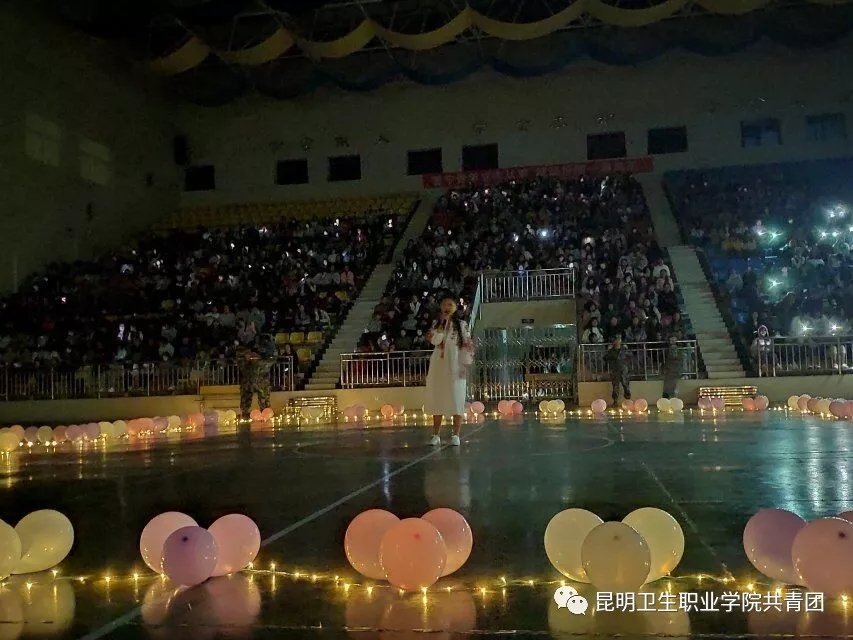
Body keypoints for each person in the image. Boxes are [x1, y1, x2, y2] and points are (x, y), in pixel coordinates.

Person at [424, 296, 472, 447]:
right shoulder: (436, 324)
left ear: (455, 307)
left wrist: (465, 364)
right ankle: (436, 434)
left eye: (450, 304)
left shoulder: (462, 325)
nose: (447, 307)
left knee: (456, 398)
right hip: (438, 364)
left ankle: (456, 435)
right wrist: (441, 325)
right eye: (444, 304)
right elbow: (435, 341)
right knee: (437, 397)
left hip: (456, 364)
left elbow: (467, 344)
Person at [237, 332, 277, 420]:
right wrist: (247, 356)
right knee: (245, 403)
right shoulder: (245, 362)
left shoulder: (263, 362)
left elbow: (273, 357)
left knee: (264, 405)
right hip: (248, 383)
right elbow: (240, 359)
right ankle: (244, 416)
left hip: (261, 384)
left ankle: (265, 418)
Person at [604, 336, 631, 406]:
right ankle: (615, 401)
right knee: (615, 386)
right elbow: (605, 358)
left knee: (626, 385)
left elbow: (630, 357)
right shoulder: (611, 351)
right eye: (616, 340)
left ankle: (628, 399)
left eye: (619, 340)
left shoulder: (624, 349)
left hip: (624, 369)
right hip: (615, 370)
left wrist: (627, 366)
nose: (618, 341)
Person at [661, 335, 681, 399]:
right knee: (669, 386)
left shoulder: (675, 349)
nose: (671, 341)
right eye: (671, 340)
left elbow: (674, 358)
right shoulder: (671, 349)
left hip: (673, 369)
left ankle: (670, 398)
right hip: (670, 370)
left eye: (673, 340)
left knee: (671, 386)